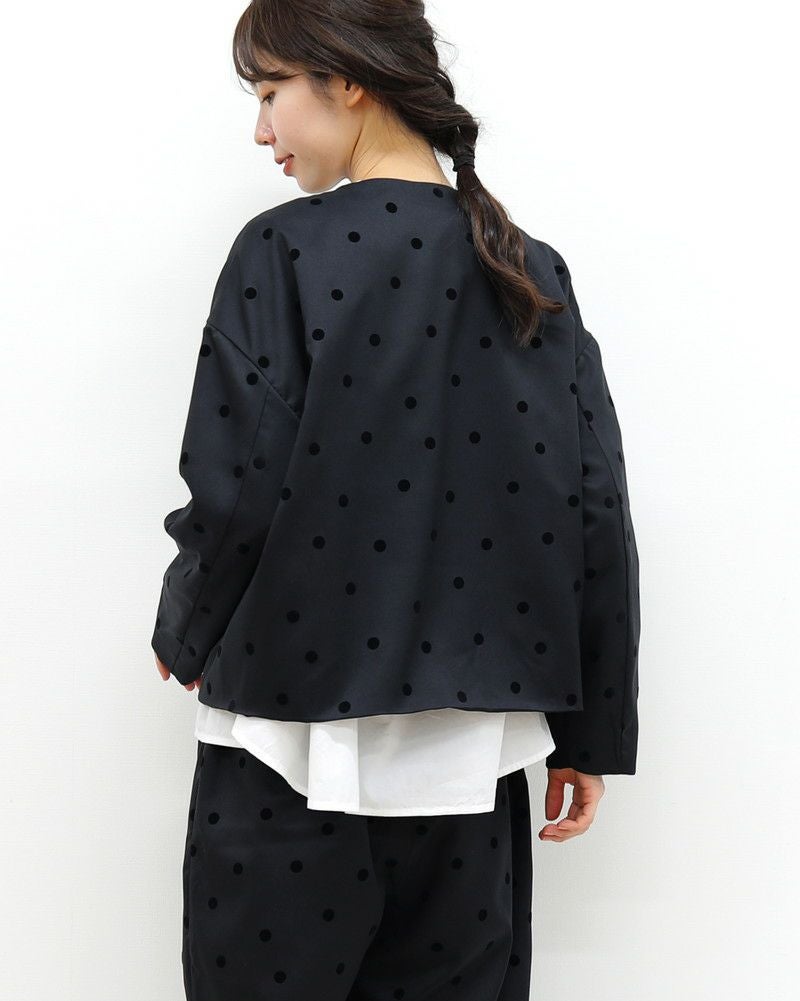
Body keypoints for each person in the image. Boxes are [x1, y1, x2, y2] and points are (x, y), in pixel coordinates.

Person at [151, 2, 641, 998]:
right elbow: (593, 509)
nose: (261, 130)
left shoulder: (285, 250)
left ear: (348, 79)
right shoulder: (525, 266)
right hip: (472, 771)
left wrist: (185, 630)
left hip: (286, 754)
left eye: (270, 92)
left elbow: (237, 481)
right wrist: (592, 732)